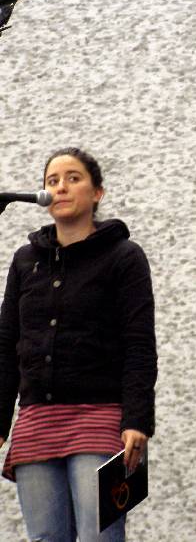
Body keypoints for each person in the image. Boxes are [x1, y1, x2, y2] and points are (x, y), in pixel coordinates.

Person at [0, 147, 157, 542]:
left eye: (73, 178)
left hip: (104, 422)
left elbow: (139, 344)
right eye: (52, 181)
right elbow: (6, 345)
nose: (61, 187)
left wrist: (138, 420)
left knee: (101, 536)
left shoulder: (125, 256)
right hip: (36, 424)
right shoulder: (25, 261)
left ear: (97, 192)